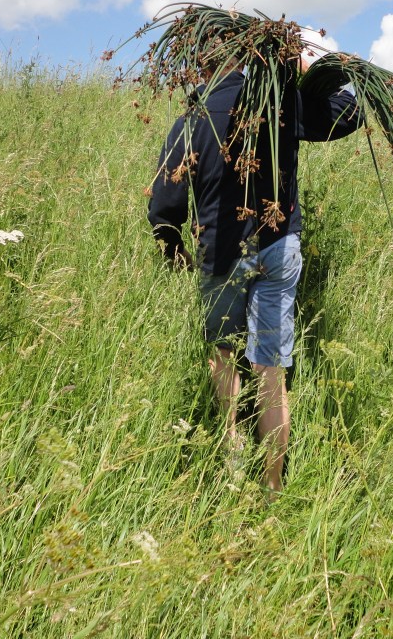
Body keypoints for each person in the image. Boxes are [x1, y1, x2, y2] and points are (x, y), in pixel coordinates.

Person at [147, 53, 362, 493]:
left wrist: (172, 247)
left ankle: (232, 463)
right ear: (242, 60)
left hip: (220, 253)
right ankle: (272, 487)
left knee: (224, 357)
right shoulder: (277, 104)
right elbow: (349, 113)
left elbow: (165, 201)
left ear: (200, 68)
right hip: (280, 246)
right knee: (271, 367)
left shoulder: (194, 118)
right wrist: (308, 74)